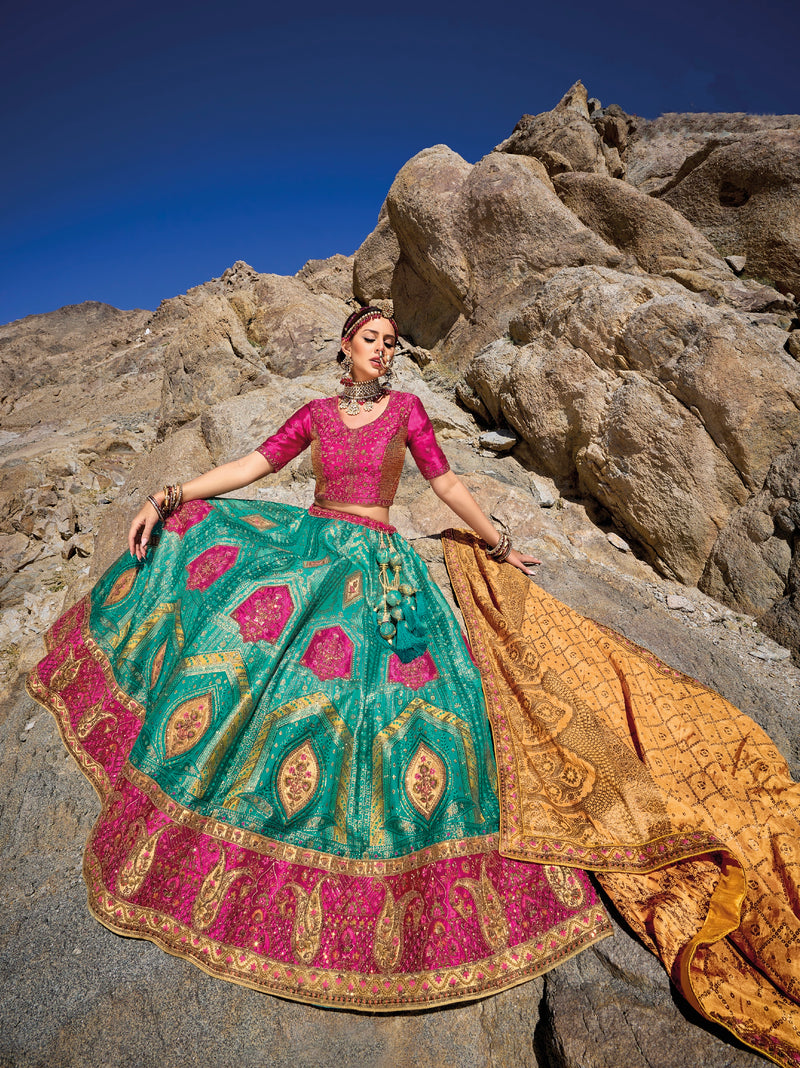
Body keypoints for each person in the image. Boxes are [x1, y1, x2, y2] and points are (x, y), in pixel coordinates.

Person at [28, 306, 800, 1063]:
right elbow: (256, 467)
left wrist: (499, 541)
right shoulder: (316, 414)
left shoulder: (407, 412)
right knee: (237, 632)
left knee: (419, 705)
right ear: (344, 348)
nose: (384, 351)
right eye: (371, 340)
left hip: (379, 564)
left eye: (392, 343)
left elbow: (446, 485)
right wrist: (174, 493)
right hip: (310, 546)